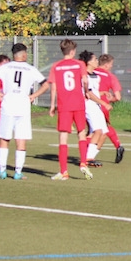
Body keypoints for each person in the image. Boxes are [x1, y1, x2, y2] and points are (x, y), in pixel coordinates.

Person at [0, 43, 49, 180]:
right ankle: (18, 172)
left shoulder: (6, 67)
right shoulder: (30, 69)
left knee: (4, 138)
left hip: (8, 106)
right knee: (21, 139)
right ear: (24, 55)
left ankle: (2, 171)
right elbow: (46, 84)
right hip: (23, 107)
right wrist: (33, 96)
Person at [47, 39, 90, 180]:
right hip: (78, 103)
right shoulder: (80, 64)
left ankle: (64, 171)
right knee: (81, 132)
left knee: (63, 137)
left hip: (64, 105)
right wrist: (86, 92)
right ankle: (83, 163)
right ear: (72, 51)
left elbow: (53, 87)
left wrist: (52, 105)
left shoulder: (56, 66)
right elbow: (85, 80)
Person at [81, 51, 112, 168]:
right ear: (88, 62)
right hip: (89, 105)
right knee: (97, 131)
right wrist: (103, 103)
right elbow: (88, 93)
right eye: (94, 59)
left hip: (96, 105)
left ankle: (90, 157)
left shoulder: (95, 75)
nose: (97, 61)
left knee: (104, 133)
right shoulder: (85, 76)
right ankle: (87, 158)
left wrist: (102, 93)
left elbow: (94, 91)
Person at [96, 54, 125, 162]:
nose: (112, 66)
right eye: (111, 64)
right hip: (103, 106)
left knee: (96, 131)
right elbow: (118, 97)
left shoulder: (90, 72)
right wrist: (109, 99)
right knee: (104, 128)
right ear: (107, 65)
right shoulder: (110, 76)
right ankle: (118, 146)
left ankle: (89, 156)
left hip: (90, 104)